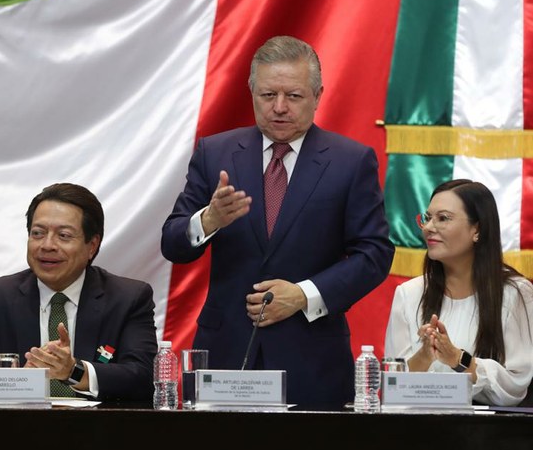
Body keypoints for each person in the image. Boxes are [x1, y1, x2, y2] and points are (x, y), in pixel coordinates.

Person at [161, 35, 395, 408]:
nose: (280, 108)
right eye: (268, 96)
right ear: (251, 92)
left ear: (318, 95)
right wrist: (208, 220)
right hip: (226, 354)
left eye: (294, 96)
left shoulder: (351, 161)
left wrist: (303, 295)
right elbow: (172, 243)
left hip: (311, 357)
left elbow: (375, 254)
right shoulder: (215, 152)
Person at [0, 183, 158, 403]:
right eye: (38, 233)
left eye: (63, 235)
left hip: (99, 432)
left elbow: (144, 378)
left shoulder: (127, 298)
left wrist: (74, 371)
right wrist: (16, 382)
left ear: (92, 245)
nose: (47, 245)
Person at [384, 179, 533, 406]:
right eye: (427, 218)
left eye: (443, 218)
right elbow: (392, 388)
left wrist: (457, 359)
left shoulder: (515, 293)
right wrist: (425, 355)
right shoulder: (408, 294)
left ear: (477, 230)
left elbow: (515, 386)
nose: (428, 227)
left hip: (490, 434)